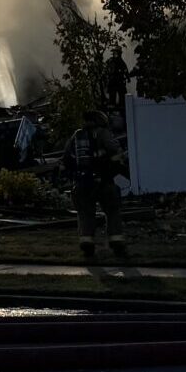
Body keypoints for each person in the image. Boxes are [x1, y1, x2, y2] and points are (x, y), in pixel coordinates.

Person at [62, 108, 129, 262]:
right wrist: (117, 164)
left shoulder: (77, 136)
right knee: (112, 210)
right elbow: (116, 152)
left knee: (85, 214)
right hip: (104, 181)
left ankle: (87, 243)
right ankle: (116, 241)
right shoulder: (103, 133)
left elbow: (66, 158)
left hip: (81, 183)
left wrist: (73, 176)